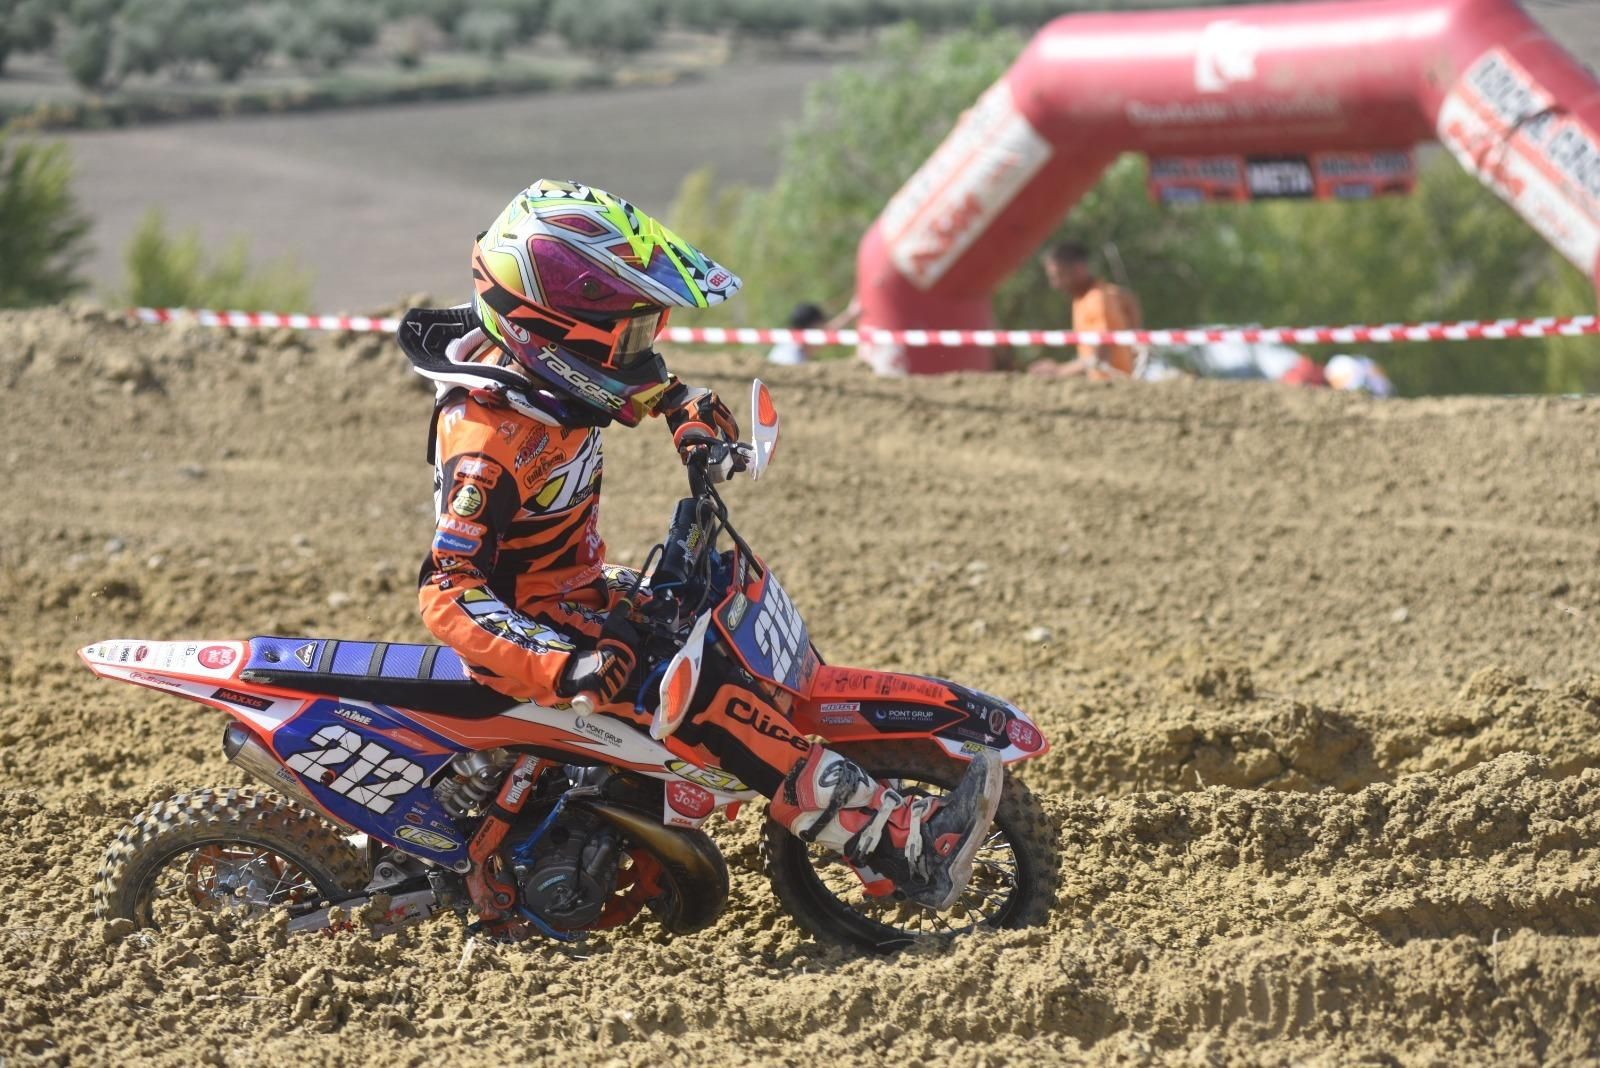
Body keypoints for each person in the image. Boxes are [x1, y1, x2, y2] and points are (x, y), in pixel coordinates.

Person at [397, 179, 1000, 910]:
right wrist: (566, 665)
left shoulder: (546, 381)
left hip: (573, 593)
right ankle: (902, 844)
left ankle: (637, 827)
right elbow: (449, 588)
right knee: (706, 695)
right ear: (556, 332)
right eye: (630, 334)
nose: (642, 350)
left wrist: (684, 409)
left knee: (698, 608)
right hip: (533, 636)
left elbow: (635, 379)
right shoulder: (491, 444)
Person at [1032, 240, 1142, 379]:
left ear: (1079, 269)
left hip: (1110, 386)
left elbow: (1100, 357)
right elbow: (1129, 299)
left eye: (1059, 275)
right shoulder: (1089, 297)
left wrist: (1059, 371)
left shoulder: (1096, 299)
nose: (1055, 284)